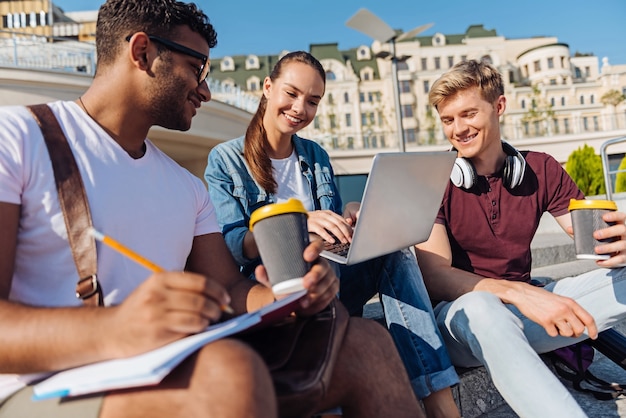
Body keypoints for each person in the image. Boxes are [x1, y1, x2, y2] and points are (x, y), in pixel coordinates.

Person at [0, 1, 425, 417]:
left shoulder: (187, 187)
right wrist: (117, 328)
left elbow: (233, 292)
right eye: (196, 68)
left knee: (366, 344)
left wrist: (290, 297)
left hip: (171, 367)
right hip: (44, 385)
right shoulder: (17, 138)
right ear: (142, 52)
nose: (205, 89)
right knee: (227, 372)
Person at [204, 50, 461, 418]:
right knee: (318, 264)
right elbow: (233, 247)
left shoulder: (315, 155)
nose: (299, 108)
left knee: (396, 250)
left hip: (332, 279)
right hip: (275, 288)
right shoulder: (226, 160)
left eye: (312, 101)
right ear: (267, 87)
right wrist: (295, 224)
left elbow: (333, 235)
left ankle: (439, 399)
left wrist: (353, 216)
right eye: (291, 94)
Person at [415, 59, 626, 418]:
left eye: (468, 114)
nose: (458, 129)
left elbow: (590, 238)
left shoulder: (541, 168)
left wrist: (618, 240)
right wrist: (523, 293)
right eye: (448, 120)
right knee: (484, 309)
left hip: (529, 313)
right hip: (462, 321)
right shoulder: (430, 179)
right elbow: (434, 275)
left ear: (499, 106)